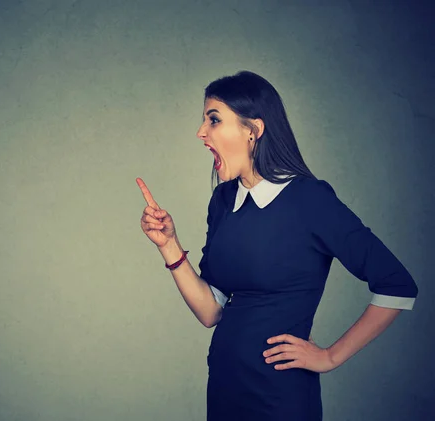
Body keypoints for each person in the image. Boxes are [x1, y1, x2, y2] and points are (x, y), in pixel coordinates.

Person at [135, 71, 419, 421]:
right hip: (225, 389)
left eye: (213, 119)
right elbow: (211, 311)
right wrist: (169, 245)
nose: (201, 132)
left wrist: (330, 356)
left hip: (279, 399)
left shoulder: (309, 200)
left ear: (252, 130)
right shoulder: (223, 200)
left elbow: (397, 286)